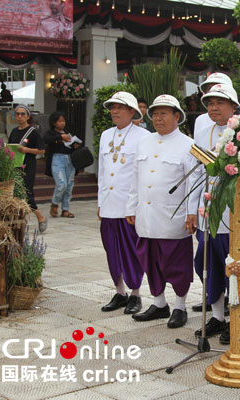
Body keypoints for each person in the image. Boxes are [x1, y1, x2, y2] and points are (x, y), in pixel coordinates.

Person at [127, 95, 201, 329]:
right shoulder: (144, 142)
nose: (158, 118)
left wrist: (192, 213)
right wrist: (131, 206)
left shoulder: (188, 145)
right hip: (147, 217)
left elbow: (194, 182)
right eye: (155, 114)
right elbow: (135, 177)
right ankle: (159, 304)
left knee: (177, 265)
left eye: (164, 113)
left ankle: (179, 306)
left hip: (173, 218)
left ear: (177, 116)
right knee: (150, 262)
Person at [190, 84, 239, 344]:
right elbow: (196, 172)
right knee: (205, 265)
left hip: (233, 215)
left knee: (233, 268)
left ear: (233, 105)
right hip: (207, 214)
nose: (214, 108)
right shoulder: (203, 131)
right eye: (209, 103)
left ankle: (236, 320)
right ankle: (218, 316)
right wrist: (192, 211)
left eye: (220, 102)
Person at [98, 92, 150, 315]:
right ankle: (119, 292)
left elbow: (142, 174)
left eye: (120, 108)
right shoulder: (105, 135)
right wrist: (100, 201)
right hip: (109, 204)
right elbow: (102, 171)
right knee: (111, 250)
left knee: (131, 251)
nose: (115, 112)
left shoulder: (143, 136)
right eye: (112, 108)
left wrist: (136, 205)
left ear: (132, 112)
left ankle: (135, 294)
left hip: (129, 205)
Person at [8, 105, 46, 232]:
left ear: (28, 116)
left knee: (27, 191)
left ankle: (40, 216)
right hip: (15, 165)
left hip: (28, 165)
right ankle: (19, 221)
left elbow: (42, 150)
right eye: (17, 114)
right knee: (16, 192)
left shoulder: (32, 132)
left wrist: (26, 150)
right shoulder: (14, 131)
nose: (19, 116)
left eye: (22, 114)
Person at [44, 111, 76, 218]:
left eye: (63, 121)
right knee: (62, 184)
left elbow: (70, 146)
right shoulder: (51, 133)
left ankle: (65, 209)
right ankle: (55, 203)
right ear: (54, 123)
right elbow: (46, 140)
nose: (62, 123)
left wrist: (75, 145)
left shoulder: (67, 132)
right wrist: (60, 137)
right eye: (60, 121)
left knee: (69, 186)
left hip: (69, 160)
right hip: (57, 159)